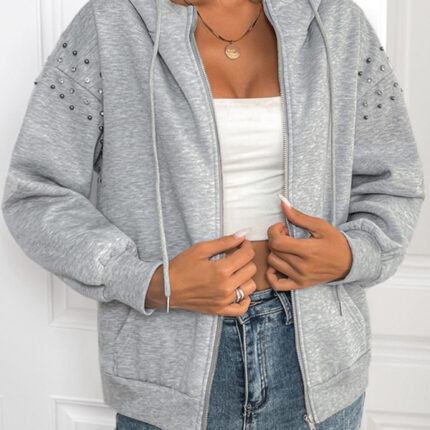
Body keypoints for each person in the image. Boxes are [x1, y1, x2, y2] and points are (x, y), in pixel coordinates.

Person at [2, 0, 425, 428]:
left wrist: (352, 254)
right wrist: (149, 282)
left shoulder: (336, 21)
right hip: (168, 365)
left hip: (318, 363)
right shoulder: (110, 22)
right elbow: (36, 194)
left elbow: (395, 181)